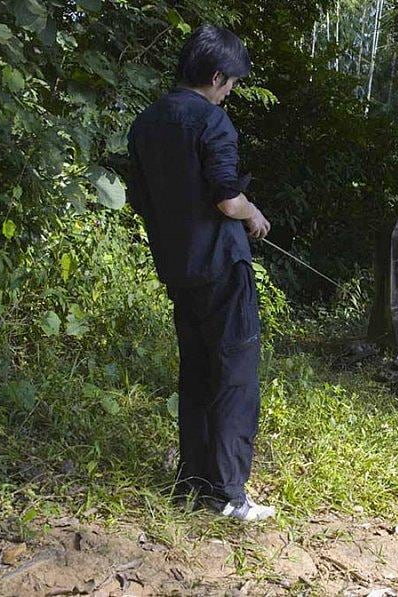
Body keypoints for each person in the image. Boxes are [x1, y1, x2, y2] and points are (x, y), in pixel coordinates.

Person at [126, 24, 274, 521]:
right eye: (230, 82)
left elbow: (142, 201)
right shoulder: (213, 122)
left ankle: (192, 483)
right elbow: (227, 197)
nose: (230, 92)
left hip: (178, 268)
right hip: (222, 269)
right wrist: (253, 214)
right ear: (216, 76)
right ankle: (231, 494)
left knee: (196, 373)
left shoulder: (145, 124)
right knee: (234, 375)